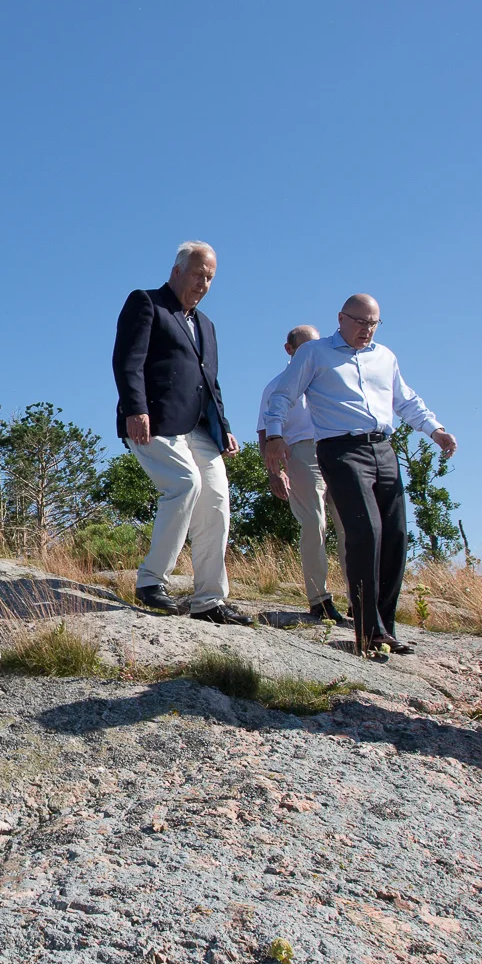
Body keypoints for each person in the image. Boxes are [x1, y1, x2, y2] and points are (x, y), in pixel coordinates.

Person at [263, 295, 456, 656]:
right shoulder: (315, 353)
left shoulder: (385, 357)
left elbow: (406, 400)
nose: (366, 330)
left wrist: (435, 429)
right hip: (340, 449)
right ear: (341, 318)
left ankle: (386, 628)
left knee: (395, 534)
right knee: (365, 531)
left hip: (384, 448)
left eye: (373, 323)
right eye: (360, 322)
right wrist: (274, 435)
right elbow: (282, 395)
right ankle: (368, 633)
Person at [111, 241, 250, 625]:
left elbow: (210, 382)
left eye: (210, 278)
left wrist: (225, 428)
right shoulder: (146, 302)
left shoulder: (206, 324)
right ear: (177, 271)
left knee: (217, 500)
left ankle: (209, 600)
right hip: (153, 420)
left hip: (199, 428)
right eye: (198, 274)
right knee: (184, 484)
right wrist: (136, 409)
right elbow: (127, 360)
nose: (203, 284)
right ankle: (151, 580)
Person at [258, 324, 343, 624]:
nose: (311, 352)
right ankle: (319, 599)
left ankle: (361, 599)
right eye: (304, 346)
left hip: (337, 449)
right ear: (289, 349)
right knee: (314, 521)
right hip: (301, 453)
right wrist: (274, 473)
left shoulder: (330, 380)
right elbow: (265, 433)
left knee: (350, 524)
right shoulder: (277, 385)